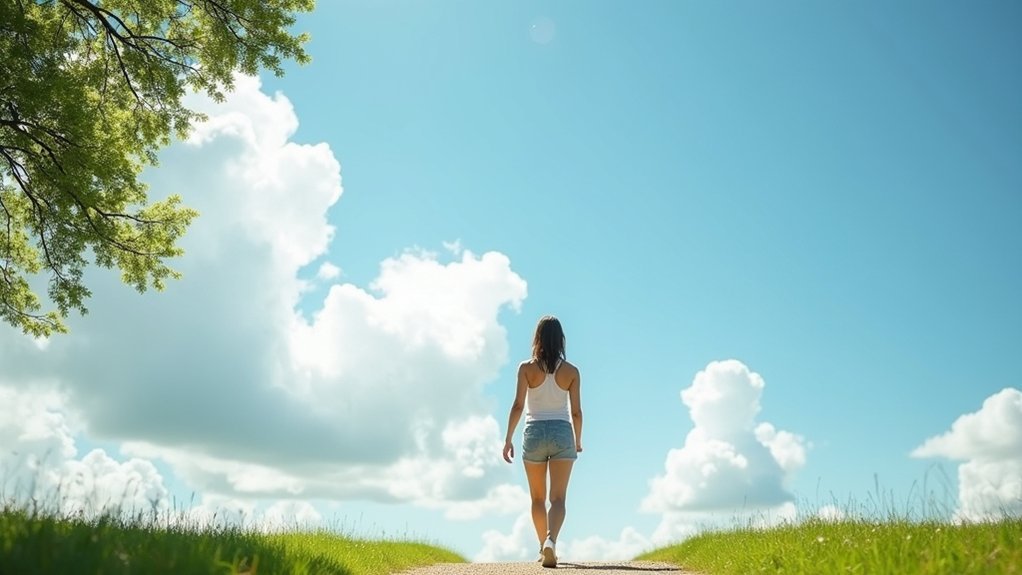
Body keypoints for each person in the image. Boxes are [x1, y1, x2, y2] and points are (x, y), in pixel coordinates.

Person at [503, 315, 583, 568]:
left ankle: (542, 546)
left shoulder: (526, 368)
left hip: (534, 432)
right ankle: (552, 542)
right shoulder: (571, 372)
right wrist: (577, 441)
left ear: (537, 338)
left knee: (537, 499)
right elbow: (577, 412)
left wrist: (508, 439)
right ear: (561, 340)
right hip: (562, 432)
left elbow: (518, 405)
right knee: (558, 499)